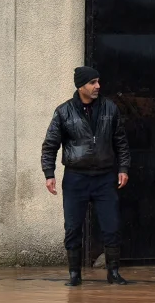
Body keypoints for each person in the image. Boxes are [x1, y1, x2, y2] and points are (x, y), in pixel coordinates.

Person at [41, 66, 131, 286]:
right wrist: (49, 173)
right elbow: (50, 145)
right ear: (81, 86)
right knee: (73, 227)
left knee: (111, 226)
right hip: (76, 177)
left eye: (98, 81)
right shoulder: (64, 111)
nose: (98, 86)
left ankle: (113, 272)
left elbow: (121, 141)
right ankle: (74, 274)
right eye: (92, 82)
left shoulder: (110, 108)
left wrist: (123, 168)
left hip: (104, 177)